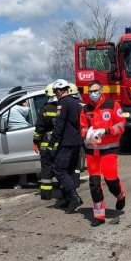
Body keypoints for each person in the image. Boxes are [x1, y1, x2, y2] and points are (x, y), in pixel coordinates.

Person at [80, 80, 126, 227]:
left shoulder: (112, 105)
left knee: (111, 180)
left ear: (101, 90)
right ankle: (99, 215)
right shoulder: (85, 109)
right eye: (90, 91)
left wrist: (106, 131)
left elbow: (121, 124)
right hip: (92, 151)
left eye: (95, 90)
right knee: (94, 183)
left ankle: (120, 195)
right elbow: (81, 128)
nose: (93, 94)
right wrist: (88, 133)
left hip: (109, 149)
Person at [51, 79, 84, 213]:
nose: (55, 94)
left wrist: (52, 143)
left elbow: (59, 126)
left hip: (67, 142)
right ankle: (70, 199)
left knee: (59, 169)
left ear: (59, 90)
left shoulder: (63, 103)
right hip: (77, 141)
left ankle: (74, 197)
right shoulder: (77, 102)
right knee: (70, 170)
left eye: (55, 91)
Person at [33, 84, 59, 200]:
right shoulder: (63, 107)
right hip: (61, 146)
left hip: (46, 145)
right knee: (61, 169)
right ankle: (65, 192)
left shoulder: (45, 108)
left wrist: (35, 141)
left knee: (46, 170)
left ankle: (46, 195)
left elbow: (39, 128)